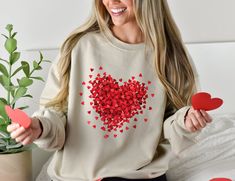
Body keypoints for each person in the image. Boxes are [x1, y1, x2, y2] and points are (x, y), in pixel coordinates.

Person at [7, 0, 212, 180]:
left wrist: (187, 121)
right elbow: (56, 114)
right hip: (76, 177)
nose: (111, 1)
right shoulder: (79, 47)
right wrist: (40, 128)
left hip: (138, 176)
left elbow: (171, 127)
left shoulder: (171, 58)